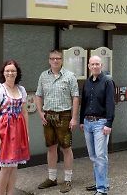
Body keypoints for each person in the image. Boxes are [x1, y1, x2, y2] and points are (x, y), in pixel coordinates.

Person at [35, 49, 79, 193]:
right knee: (51, 147)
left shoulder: (70, 76)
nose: (55, 61)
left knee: (66, 148)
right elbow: (38, 95)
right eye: (52, 58)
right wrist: (40, 112)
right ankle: (52, 178)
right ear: (49, 60)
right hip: (48, 116)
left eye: (58, 58)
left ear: (62, 60)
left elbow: (75, 97)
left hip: (64, 116)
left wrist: (74, 117)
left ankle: (67, 180)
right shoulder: (43, 76)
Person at [0, 60, 32, 195]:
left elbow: (24, 112)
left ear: (17, 73)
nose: (10, 73)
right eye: (7, 71)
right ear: (3, 73)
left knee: (14, 167)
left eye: (13, 70)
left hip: (18, 130)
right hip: (4, 131)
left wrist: (27, 134)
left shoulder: (21, 89)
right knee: (5, 168)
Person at [80, 55, 115, 195]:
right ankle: (100, 183)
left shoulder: (107, 81)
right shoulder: (87, 82)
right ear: (88, 66)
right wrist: (82, 120)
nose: (94, 66)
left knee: (100, 155)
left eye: (97, 64)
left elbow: (110, 103)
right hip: (88, 123)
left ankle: (102, 189)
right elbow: (85, 102)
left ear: (101, 66)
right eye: (92, 64)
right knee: (93, 156)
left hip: (101, 123)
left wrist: (109, 123)